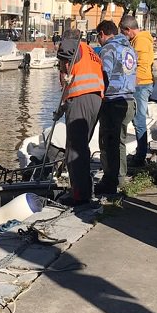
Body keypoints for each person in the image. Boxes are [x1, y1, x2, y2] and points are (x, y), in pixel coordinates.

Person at [55, 29, 104, 206]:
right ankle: (84, 188)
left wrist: (61, 59)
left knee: (74, 149)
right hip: (96, 99)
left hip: (81, 98)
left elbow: (66, 54)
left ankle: (80, 195)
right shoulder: (91, 52)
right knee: (82, 146)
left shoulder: (74, 46)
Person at [95, 20, 137, 197]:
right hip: (129, 100)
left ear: (103, 33)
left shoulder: (108, 49)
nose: (98, 40)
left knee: (107, 142)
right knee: (119, 141)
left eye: (98, 36)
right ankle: (120, 177)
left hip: (113, 101)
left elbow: (104, 74)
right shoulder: (129, 49)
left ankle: (110, 181)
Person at [119, 15, 155, 166]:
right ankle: (141, 153)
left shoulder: (140, 41)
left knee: (139, 120)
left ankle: (140, 157)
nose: (123, 35)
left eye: (123, 32)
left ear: (128, 30)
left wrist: (130, 85)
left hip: (140, 86)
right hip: (142, 84)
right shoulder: (139, 40)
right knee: (137, 119)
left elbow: (141, 64)